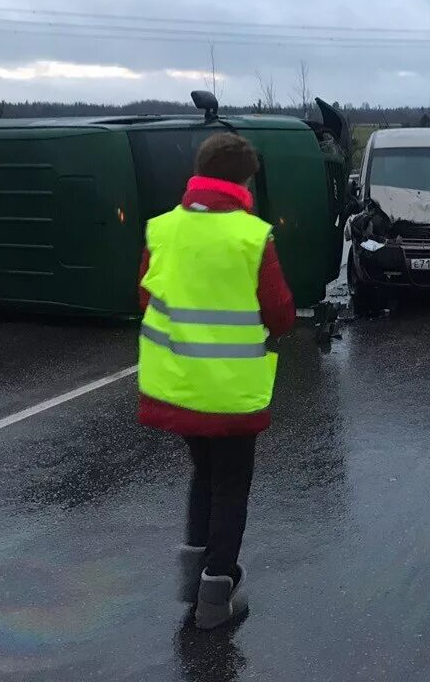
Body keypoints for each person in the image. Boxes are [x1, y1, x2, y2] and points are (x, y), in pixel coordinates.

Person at [137, 132, 296, 629]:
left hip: (178, 382)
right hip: (229, 390)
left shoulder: (161, 229)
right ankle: (215, 601)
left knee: (204, 476)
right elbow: (281, 314)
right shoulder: (251, 236)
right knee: (231, 486)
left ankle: (193, 585)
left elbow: (146, 297)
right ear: (244, 179)